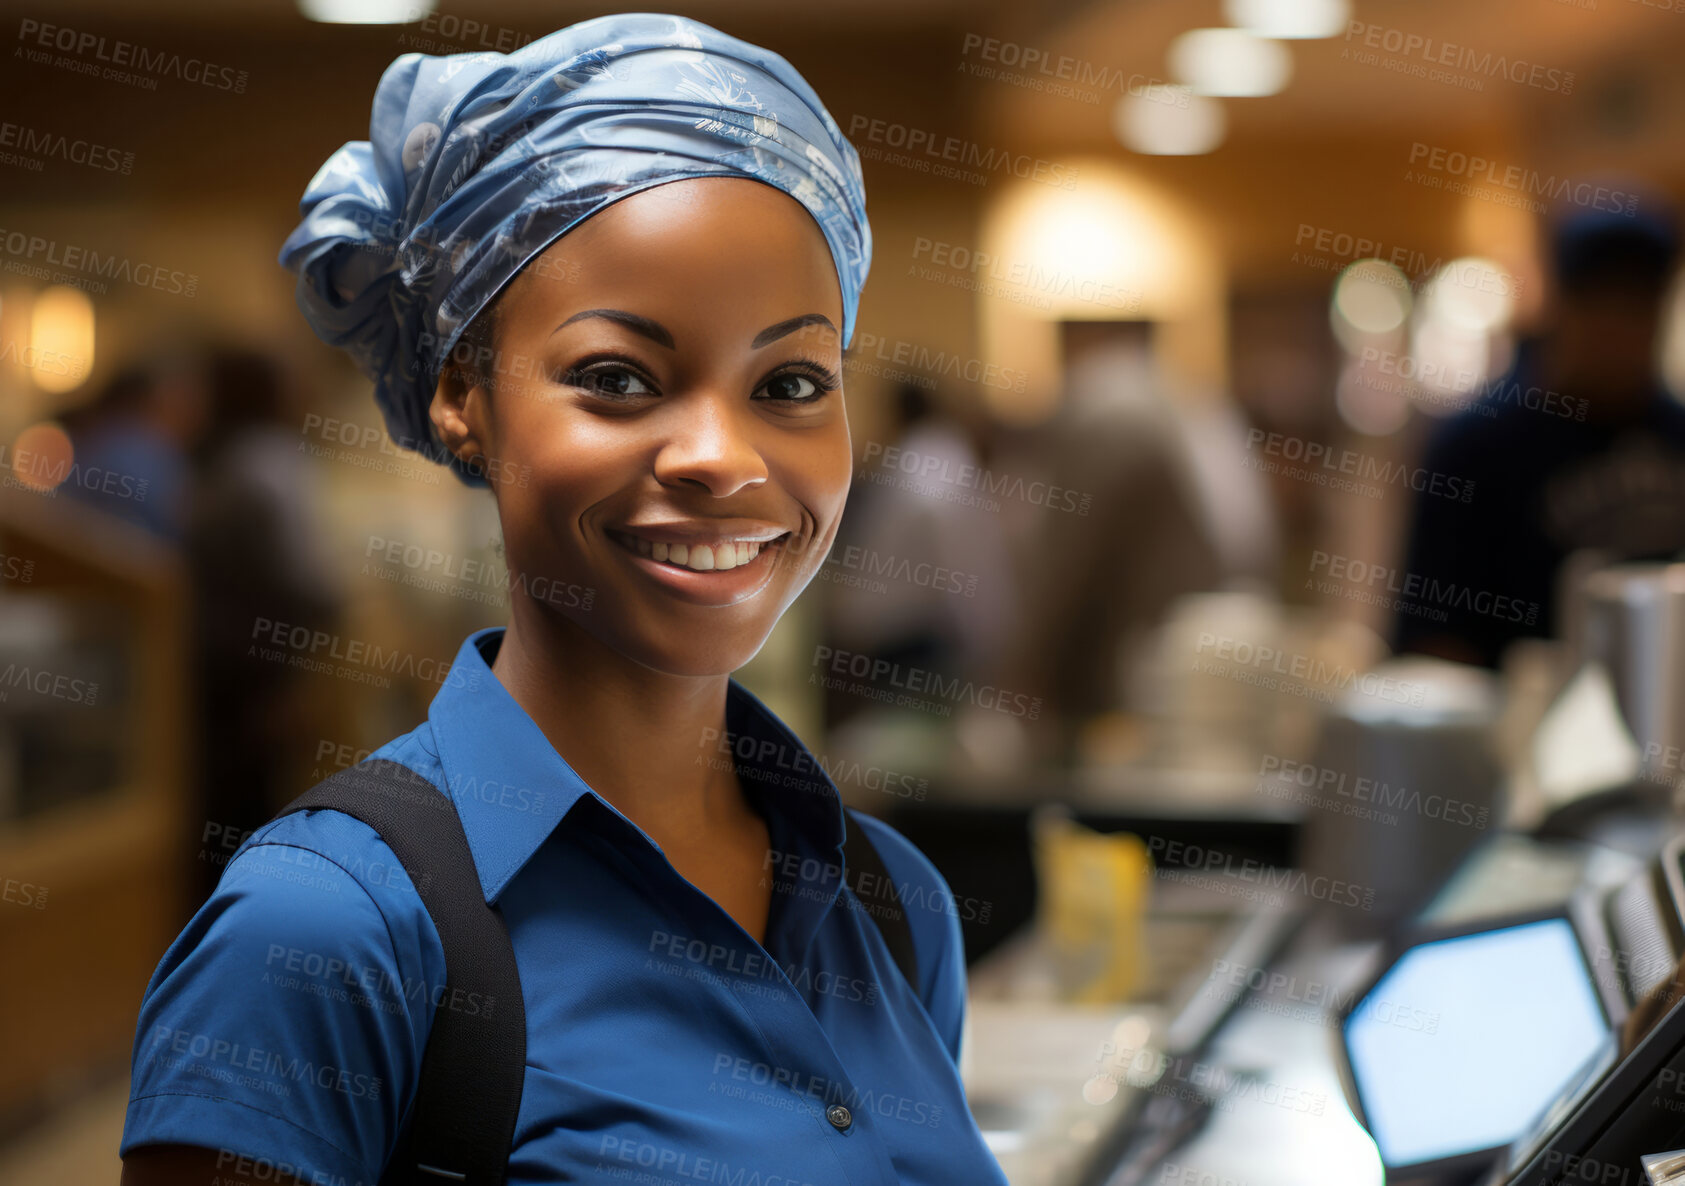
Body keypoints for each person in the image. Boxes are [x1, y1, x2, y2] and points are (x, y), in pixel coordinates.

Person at [119, 15, 1009, 1186]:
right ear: (461, 399)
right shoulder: (326, 931)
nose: (717, 455)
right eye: (616, 379)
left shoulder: (892, 906)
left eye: (789, 381)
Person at [1394, 201, 1685, 668]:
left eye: (1637, 304)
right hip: (1513, 725)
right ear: (1560, 303)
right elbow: (1432, 643)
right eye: (1598, 302)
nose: (1617, 327)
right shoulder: (1475, 447)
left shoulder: (1677, 435)